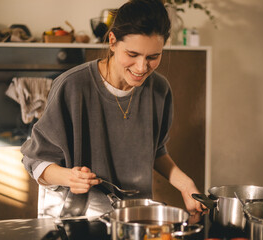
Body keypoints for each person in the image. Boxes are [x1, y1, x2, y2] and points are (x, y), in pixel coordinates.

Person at [21, 0, 203, 217]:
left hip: (130, 215)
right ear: (113, 41)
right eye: (132, 55)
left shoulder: (159, 89)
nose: (141, 67)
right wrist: (70, 177)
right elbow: (35, 161)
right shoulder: (72, 86)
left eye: (153, 57)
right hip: (74, 216)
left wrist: (185, 184)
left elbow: (155, 151)